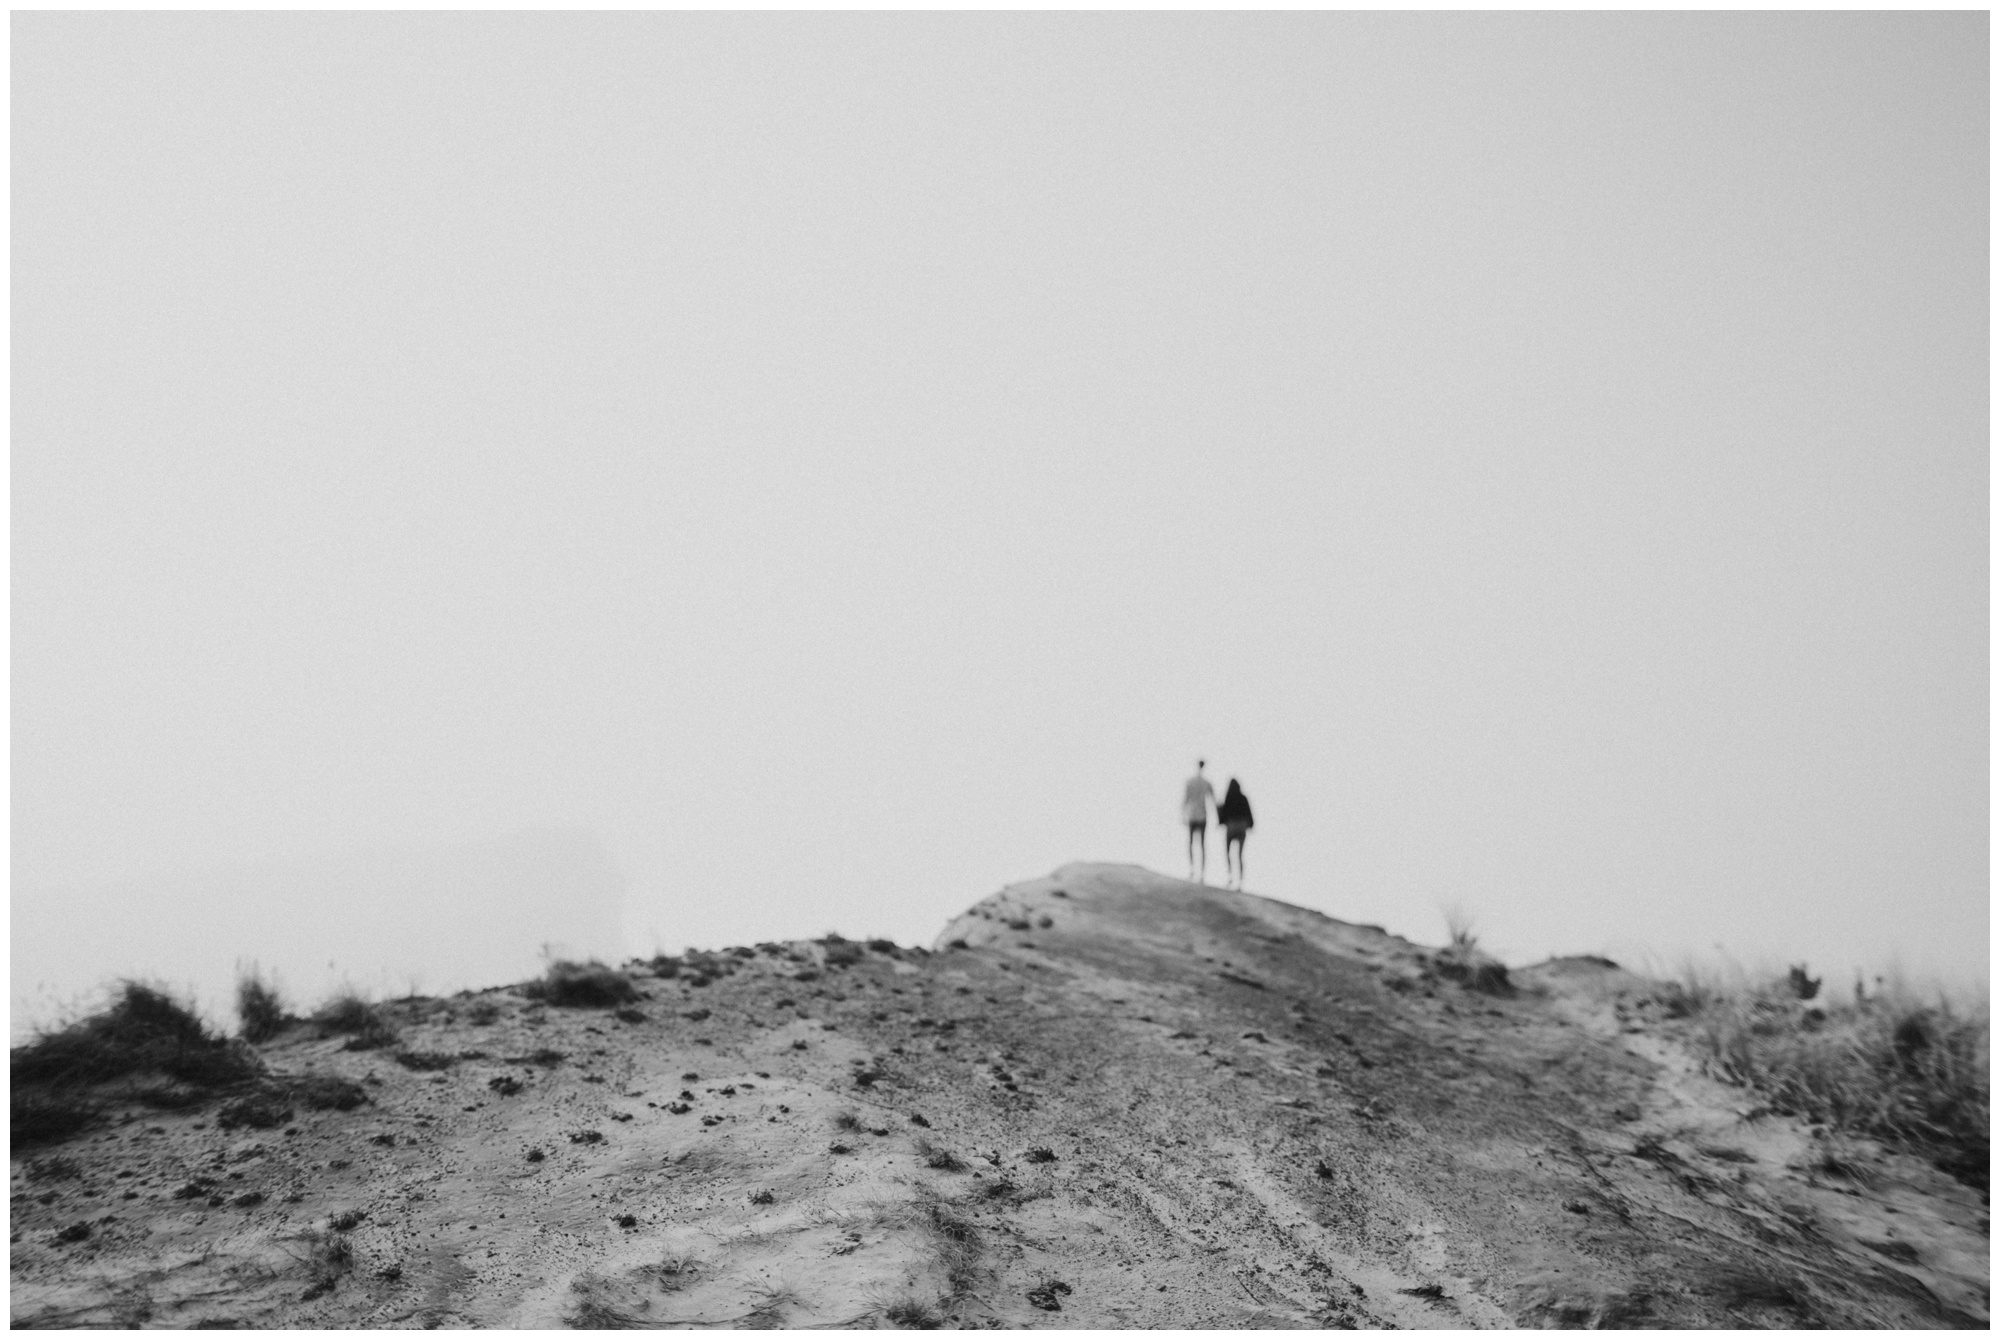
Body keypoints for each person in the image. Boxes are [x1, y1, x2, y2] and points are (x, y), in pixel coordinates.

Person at [1182, 761, 1217, 883]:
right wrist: (1217, 817)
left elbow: (1185, 799)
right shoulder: (1206, 783)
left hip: (1192, 815)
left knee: (1191, 843)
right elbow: (1213, 800)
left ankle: (1192, 869)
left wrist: (1183, 815)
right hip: (1202, 816)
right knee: (1201, 845)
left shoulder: (1190, 782)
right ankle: (1201, 872)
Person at [1218, 778, 1254, 890]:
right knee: (1239, 855)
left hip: (1231, 826)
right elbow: (1249, 813)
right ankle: (1240, 881)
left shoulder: (1228, 797)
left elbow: (1223, 814)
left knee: (1228, 852)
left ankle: (1230, 876)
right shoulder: (1243, 798)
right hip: (1242, 827)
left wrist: (1221, 821)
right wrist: (1250, 825)